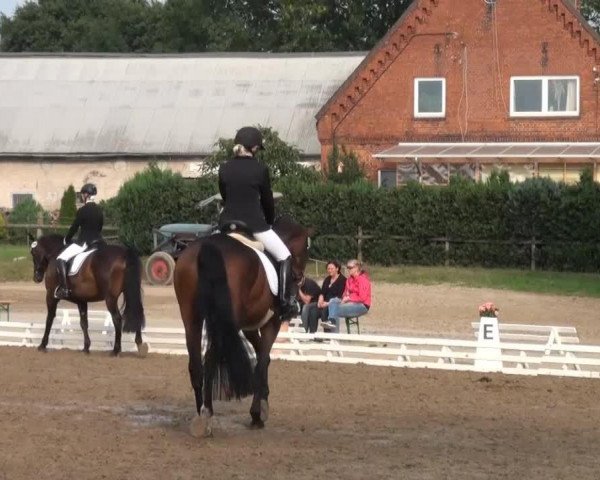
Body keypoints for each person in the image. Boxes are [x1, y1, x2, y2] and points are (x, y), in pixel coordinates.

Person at [218, 126, 297, 318]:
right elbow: (267, 201)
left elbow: (224, 195)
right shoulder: (260, 169)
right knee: (285, 255)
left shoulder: (224, 168)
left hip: (227, 225)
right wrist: (269, 221)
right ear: (253, 148)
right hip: (254, 225)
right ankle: (285, 304)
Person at [55, 183, 103, 299]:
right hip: (99, 242)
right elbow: (100, 227)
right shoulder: (99, 211)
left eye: (82, 194)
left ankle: (65, 289)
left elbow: (74, 227)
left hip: (84, 243)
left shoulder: (82, 210)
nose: (82, 196)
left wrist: (67, 239)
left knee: (60, 259)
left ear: (86, 195)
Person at [322, 259, 371, 333]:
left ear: (356, 268)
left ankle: (334, 336)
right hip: (350, 303)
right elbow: (344, 293)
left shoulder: (362, 279)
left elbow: (362, 297)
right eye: (347, 267)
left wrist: (349, 298)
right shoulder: (349, 280)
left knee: (334, 309)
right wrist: (343, 299)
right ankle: (332, 323)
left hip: (362, 305)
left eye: (350, 267)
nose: (348, 269)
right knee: (333, 301)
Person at [302, 260, 346, 333]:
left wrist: (327, 303)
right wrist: (320, 299)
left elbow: (339, 296)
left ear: (337, 268)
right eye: (328, 269)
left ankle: (327, 335)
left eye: (332, 268)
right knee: (313, 311)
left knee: (324, 311)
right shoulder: (327, 279)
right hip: (324, 303)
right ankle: (313, 334)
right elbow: (322, 292)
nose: (329, 270)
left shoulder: (342, 280)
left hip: (333, 304)